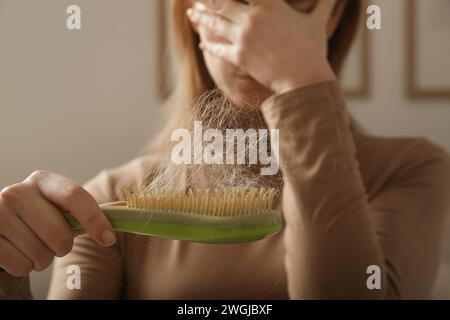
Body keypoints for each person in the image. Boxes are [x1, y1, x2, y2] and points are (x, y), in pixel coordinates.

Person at [1, 0, 449, 299]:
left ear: (332, 17)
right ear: (193, 14)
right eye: (235, 1)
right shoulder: (109, 198)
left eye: (288, 3)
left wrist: (300, 85)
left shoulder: (409, 169)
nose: (256, 28)